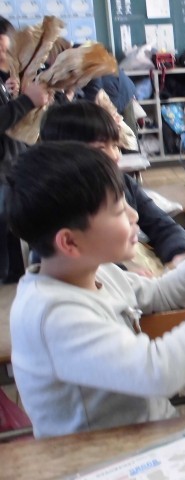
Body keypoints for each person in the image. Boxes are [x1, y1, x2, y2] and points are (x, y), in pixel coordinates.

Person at [7, 142, 185, 439]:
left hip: (149, 436)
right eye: (118, 211)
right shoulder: (54, 315)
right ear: (70, 242)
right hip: (104, 457)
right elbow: (158, 372)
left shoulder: (98, 272)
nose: (134, 215)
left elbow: (161, 294)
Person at [39, 102, 185, 269]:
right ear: (66, 154)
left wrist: (179, 254)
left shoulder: (121, 182)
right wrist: (125, 273)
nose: (115, 156)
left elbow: (162, 224)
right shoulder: (56, 207)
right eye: (101, 148)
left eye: (115, 146)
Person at [0, 16, 51, 283]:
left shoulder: (8, 75)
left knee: (11, 225)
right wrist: (27, 101)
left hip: (11, 163)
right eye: (1, 49)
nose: (4, 56)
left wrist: (15, 96)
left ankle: (13, 275)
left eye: (6, 50)